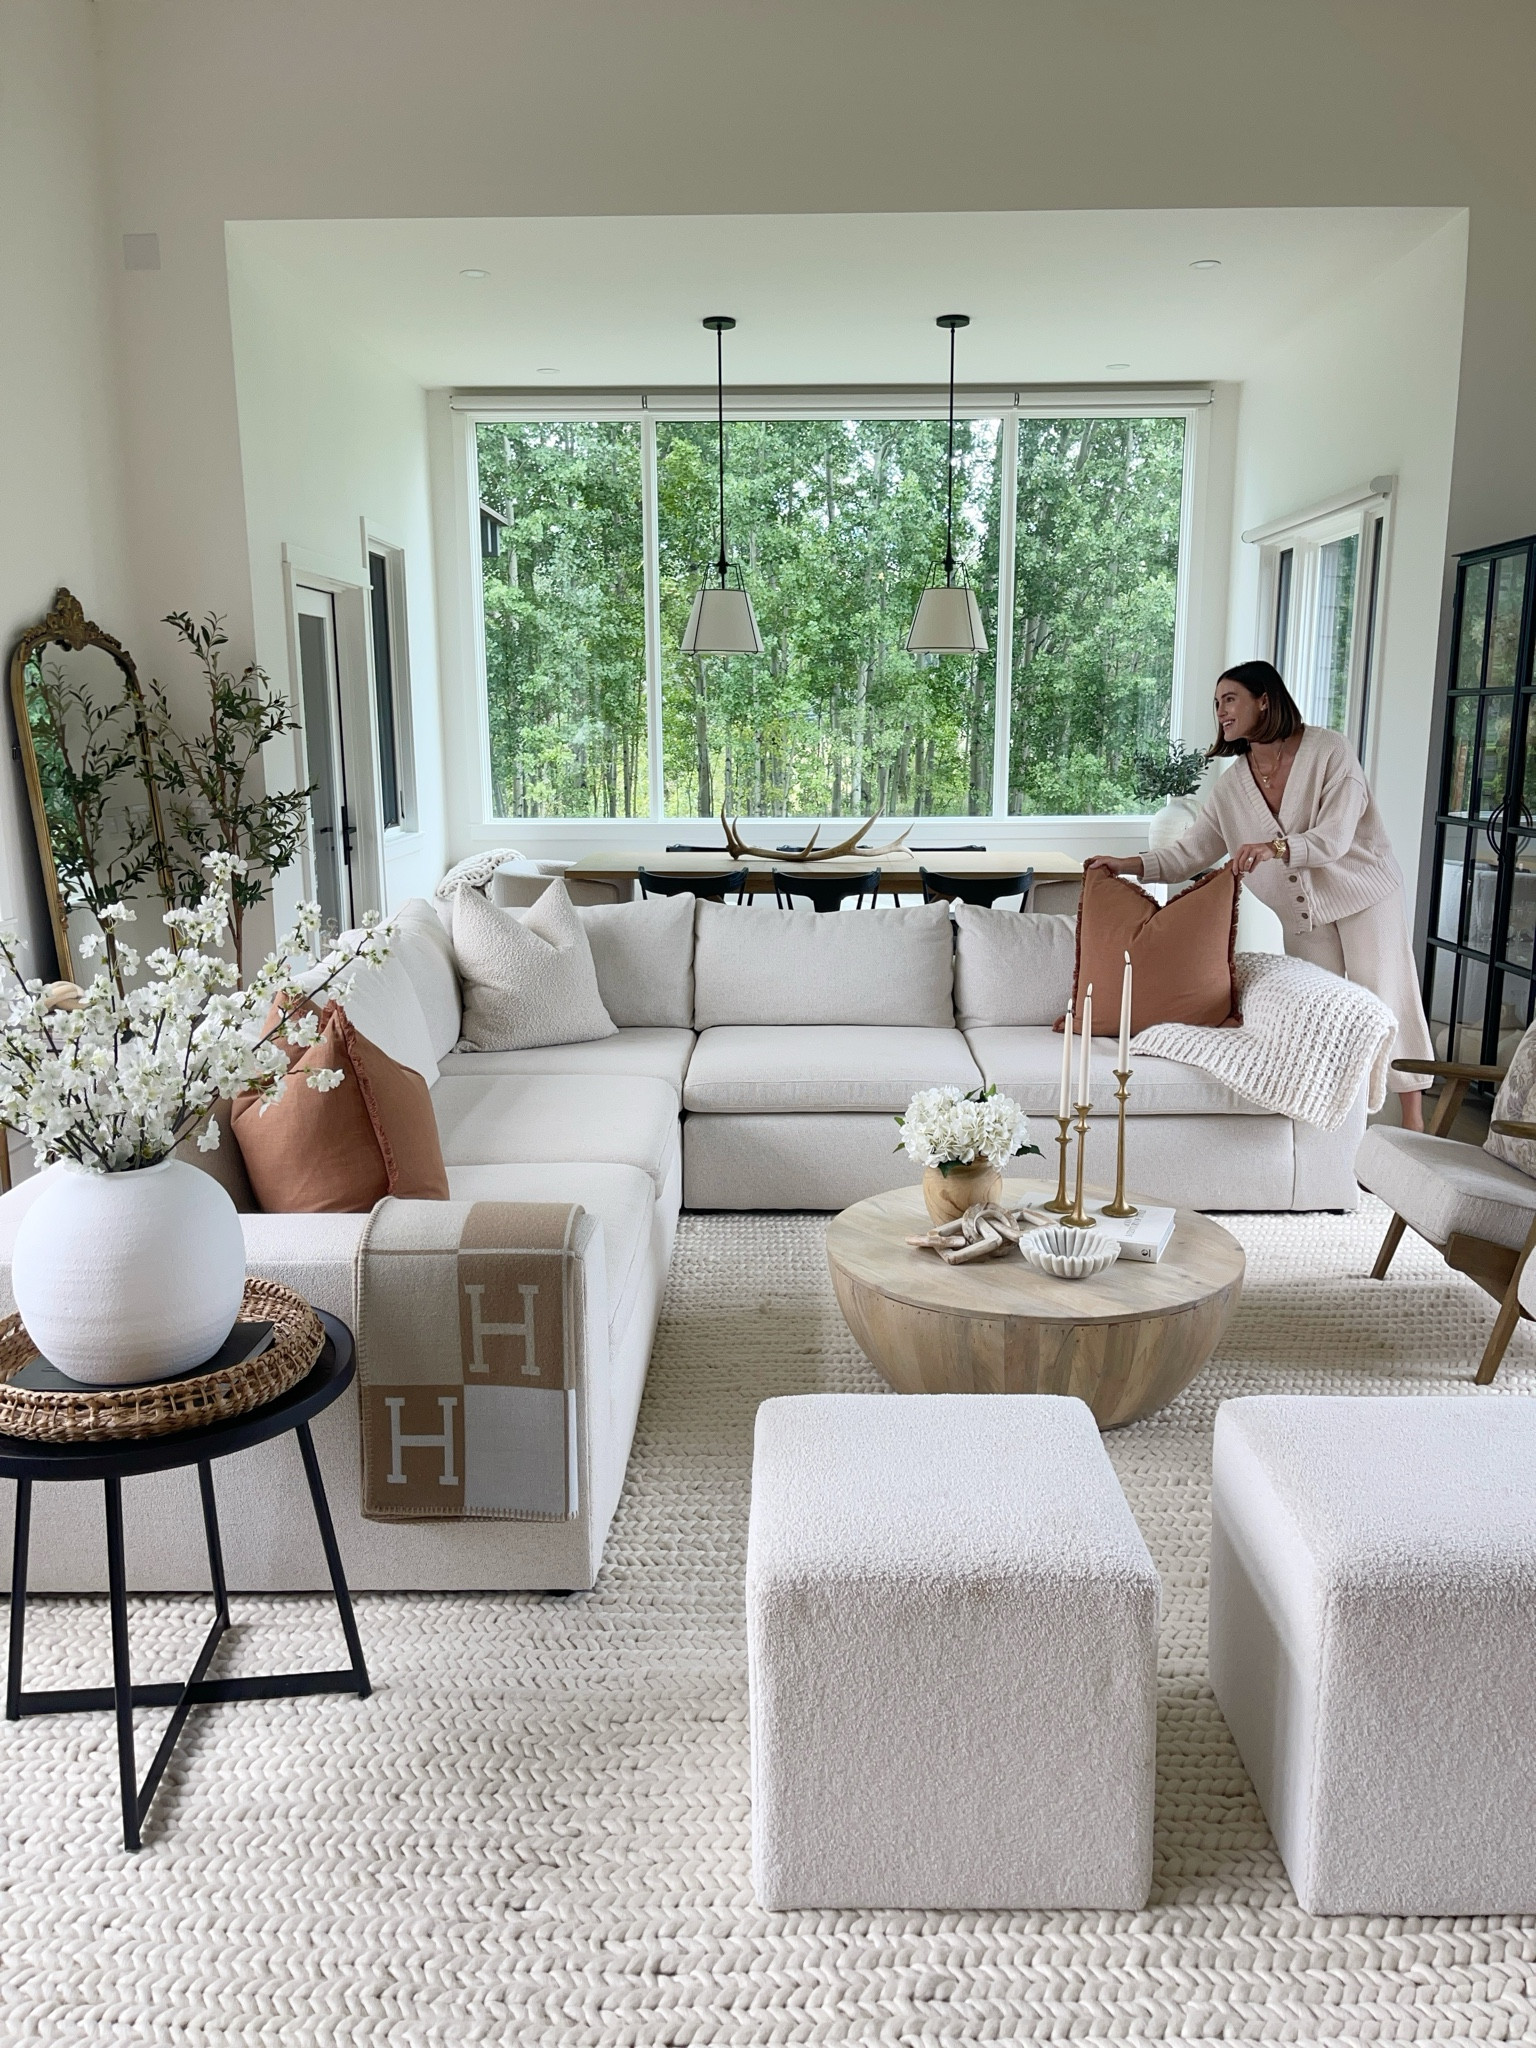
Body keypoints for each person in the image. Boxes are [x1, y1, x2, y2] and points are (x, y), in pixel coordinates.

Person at [1085, 659, 1434, 1132]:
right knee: (1320, 1015)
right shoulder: (1232, 787)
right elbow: (1190, 852)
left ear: (1263, 699)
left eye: (1230, 699)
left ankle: (1413, 1125)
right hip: (1302, 914)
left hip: (1362, 893)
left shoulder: (1329, 751)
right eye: (1216, 704)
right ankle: (1339, 1130)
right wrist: (1129, 865)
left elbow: (1333, 838)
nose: (1221, 712)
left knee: (1385, 995)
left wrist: (1275, 847)